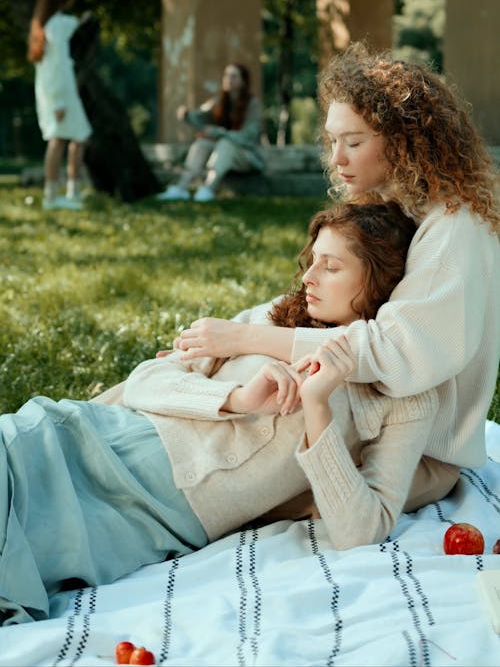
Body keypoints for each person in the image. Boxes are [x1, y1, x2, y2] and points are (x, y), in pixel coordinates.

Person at [0, 201, 439, 627]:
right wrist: (237, 399)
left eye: (331, 266)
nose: (308, 277)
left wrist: (319, 406)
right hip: (89, 439)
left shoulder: (403, 396)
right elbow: (147, 378)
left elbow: (360, 532)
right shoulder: (271, 320)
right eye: (312, 260)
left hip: (151, 515)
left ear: (379, 279)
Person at [170, 43, 500, 490]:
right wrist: (220, 337)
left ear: (403, 141)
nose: (337, 158)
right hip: (365, 417)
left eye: (354, 142)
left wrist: (248, 336)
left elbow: (394, 351)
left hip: (413, 455)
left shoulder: (455, 226)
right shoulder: (388, 199)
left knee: (234, 430)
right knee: (212, 391)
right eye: (332, 141)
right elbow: (324, 302)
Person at [156, 63, 265, 202]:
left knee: (226, 144)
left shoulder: (252, 104)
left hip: (247, 157)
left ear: (243, 81)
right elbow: (202, 116)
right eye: (226, 75)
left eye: (234, 76)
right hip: (222, 155)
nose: (228, 79)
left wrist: (219, 133)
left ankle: (209, 188)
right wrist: (187, 115)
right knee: (202, 144)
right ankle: (181, 187)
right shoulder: (219, 101)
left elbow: (247, 137)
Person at [28, 0, 92, 210]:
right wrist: (57, 101)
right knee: (58, 140)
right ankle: (52, 196)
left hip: (58, 91)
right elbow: (55, 67)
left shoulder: (45, 25)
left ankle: (71, 192)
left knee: (79, 137)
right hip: (59, 93)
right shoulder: (56, 26)